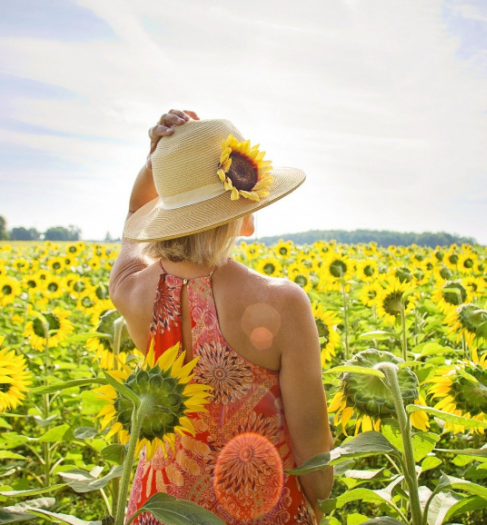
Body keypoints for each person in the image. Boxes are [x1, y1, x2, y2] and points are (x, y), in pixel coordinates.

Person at [109, 109, 334, 524]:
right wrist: (321, 504)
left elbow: (131, 223)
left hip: (158, 509)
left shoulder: (132, 290)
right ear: (240, 209)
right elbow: (312, 451)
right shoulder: (282, 302)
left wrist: (154, 164)